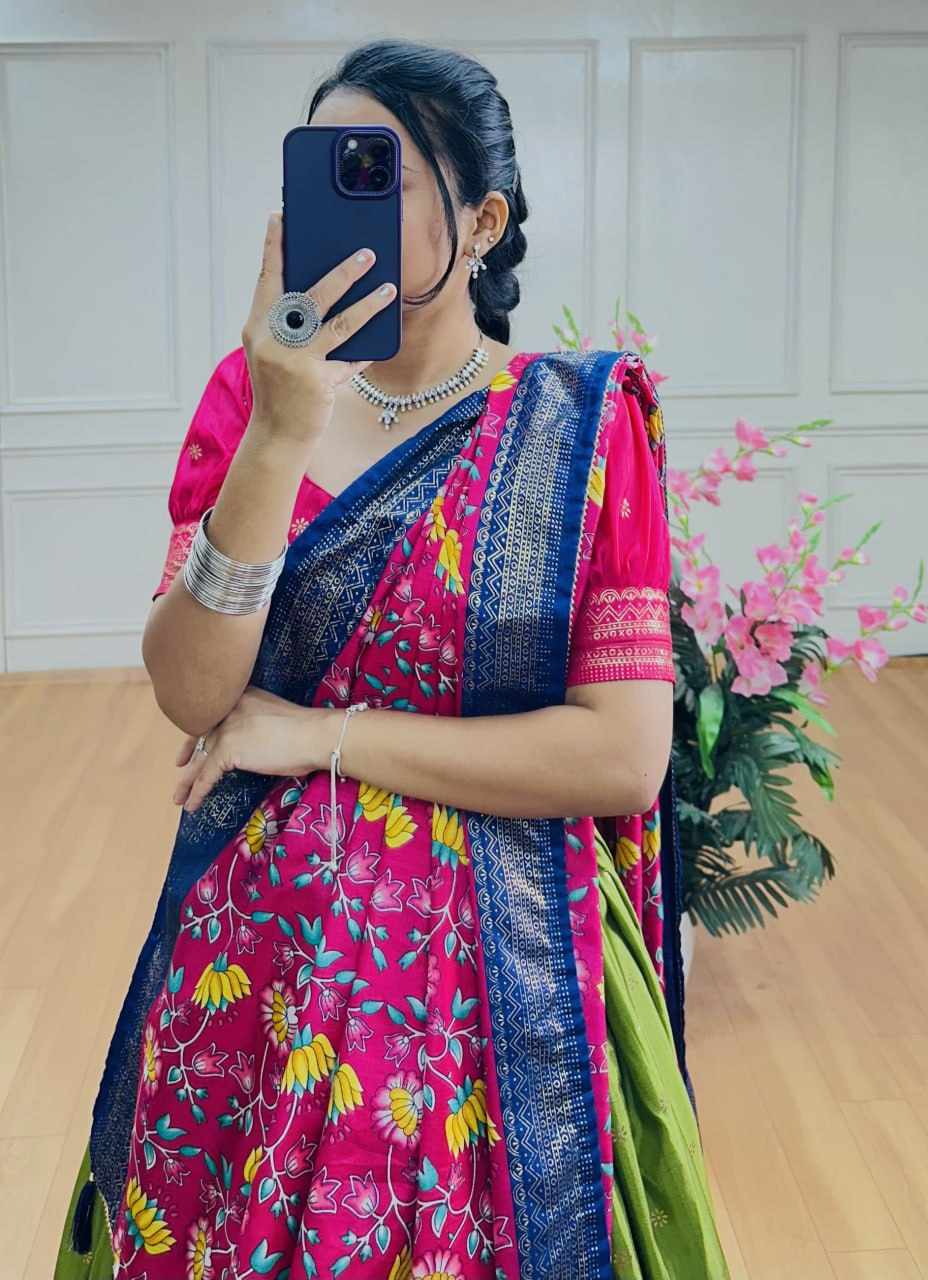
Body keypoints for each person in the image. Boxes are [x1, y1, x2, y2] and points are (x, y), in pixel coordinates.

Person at [54, 37, 730, 1280]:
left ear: (483, 220)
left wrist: (320, 733)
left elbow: (623, 757)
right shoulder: (252, 396)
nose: (338, 203)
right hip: (260, 970)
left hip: (510, 979)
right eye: (316, 170)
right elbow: (193, 692)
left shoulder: (579, 424)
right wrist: (279, 428)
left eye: (379, 172)